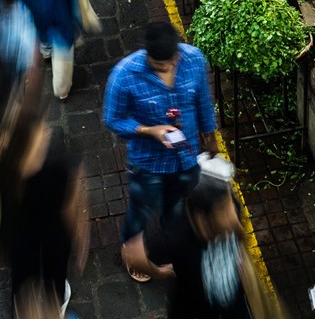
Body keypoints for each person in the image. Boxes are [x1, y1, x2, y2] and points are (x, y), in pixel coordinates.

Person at [104, 21, 220, 282]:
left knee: (177, 209)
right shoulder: (124, 75)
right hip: (148, 163)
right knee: (140, 211)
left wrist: (210, 138)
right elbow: (113, 119)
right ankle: (132, 254)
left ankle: (174, 246)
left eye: (170, 64)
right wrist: (149, 130)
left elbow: (203, 101)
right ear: (147, 55)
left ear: (178, 52)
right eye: (158, 67)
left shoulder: (194, 60)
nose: (166, 70)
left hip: (187, 158)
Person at [0, 67, 90, 317]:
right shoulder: (5, 170)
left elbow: (74, 197)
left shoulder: (56, 162)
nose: (47, 135)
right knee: (22, 280)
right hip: (19, 237)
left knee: (55, 276)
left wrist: (81, 234)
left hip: (54, 233)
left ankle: (57, 305)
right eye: (39, 134)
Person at [123, 177, 263, 318]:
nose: (232, 218)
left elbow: (238, 231)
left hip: (233, 302)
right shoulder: (176, 234)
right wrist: (160, 273)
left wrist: (239, 257)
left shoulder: (230, 206)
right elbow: (133, 255)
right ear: (202, 220)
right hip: (194, 308)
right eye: (224, 212)